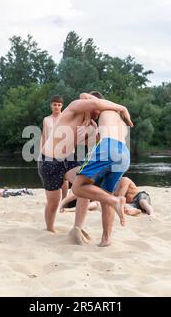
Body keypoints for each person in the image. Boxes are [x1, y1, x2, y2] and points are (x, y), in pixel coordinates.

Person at [39, 92, 133, 244]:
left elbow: (94, 145)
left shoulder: (93, 124)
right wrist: (122, 108)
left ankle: (78, 227)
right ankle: (50, 229)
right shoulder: (74, 107)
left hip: (69, 159)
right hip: (49, 159)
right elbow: (92, 101)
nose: (98, 113)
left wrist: (91, 132)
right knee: (53, 202)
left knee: (85, 186)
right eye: (97, 109)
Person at [72, 91, 132, 247]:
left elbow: (83, 95)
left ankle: (116, 201)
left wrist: (122, 107)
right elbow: (95, 142)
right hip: (124, 154)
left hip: (109, 147)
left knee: (78, 188)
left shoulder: (106, 109)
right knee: (106, 195)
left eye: (90, 108)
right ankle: (106, 239)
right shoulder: (116, 119)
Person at [40, 95, 69, 200]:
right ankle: (53, 199)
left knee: (65, 177)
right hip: (49, 152)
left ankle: (64, 199)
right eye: (54, 104)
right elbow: (44, 136)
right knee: (51, 175)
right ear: (51, 106)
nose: (57, 107)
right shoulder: (46, 120)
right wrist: (41, 152)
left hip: (63, 150)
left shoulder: (66, 118)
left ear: (62, 106)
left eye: (59, 105)